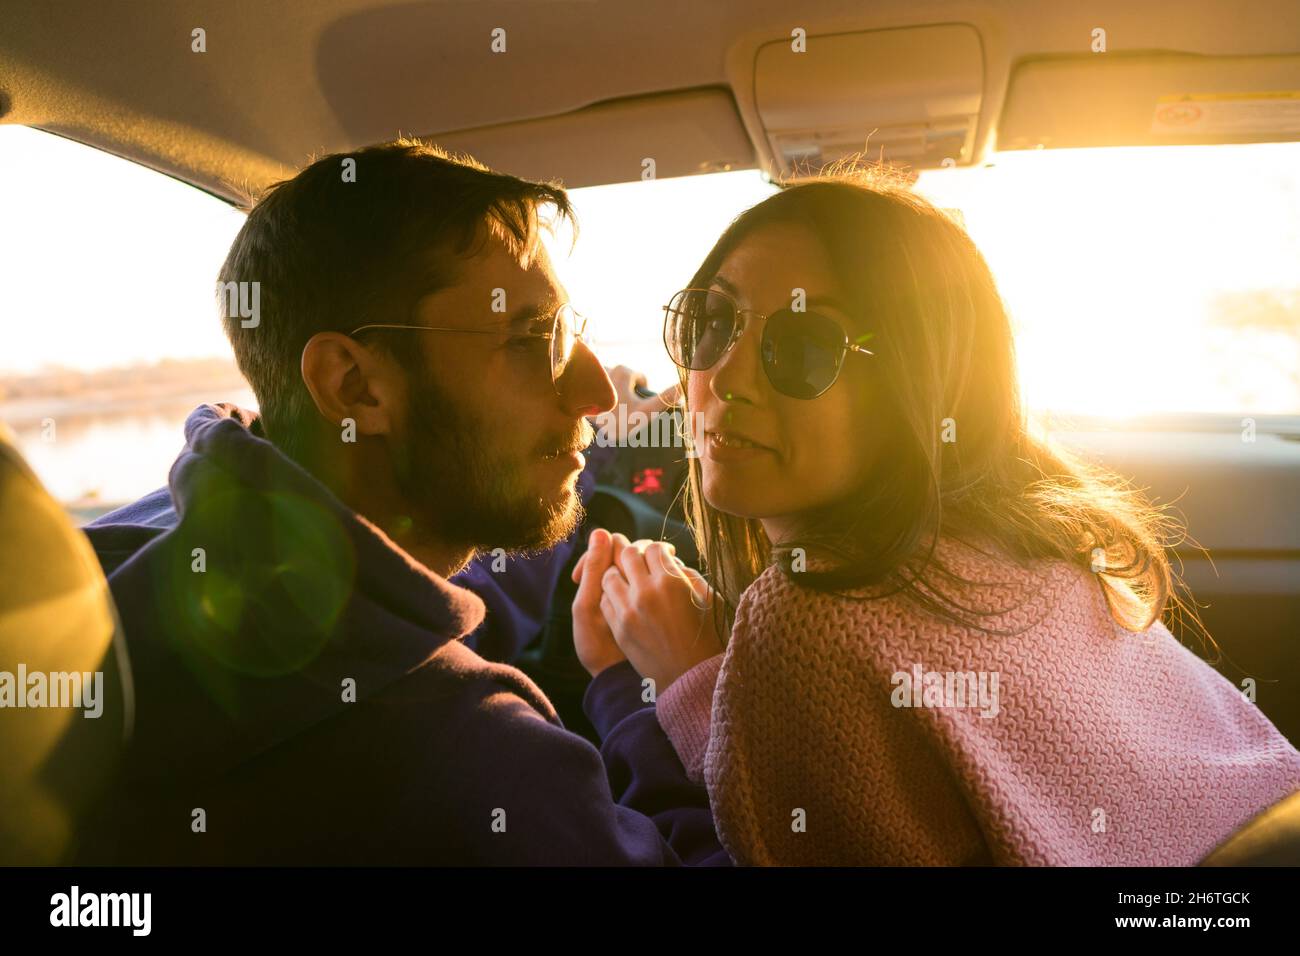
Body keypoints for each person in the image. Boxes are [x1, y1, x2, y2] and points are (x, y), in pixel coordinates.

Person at [572, 169, 1300, 865]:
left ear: (915, 384)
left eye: (804, 345)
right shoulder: (1048, 540)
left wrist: (666, 682)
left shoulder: (809, 614)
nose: (722, 378)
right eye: (713, 321)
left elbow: (765, 843)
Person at [77, 139, 727, 865]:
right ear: (354, 385)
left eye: (567, 333)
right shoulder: (482, 767)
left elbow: (429, 585)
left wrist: (597, 459)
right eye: (529, 338)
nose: (595, 394)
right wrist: (648, 694)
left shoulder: (156, 536)